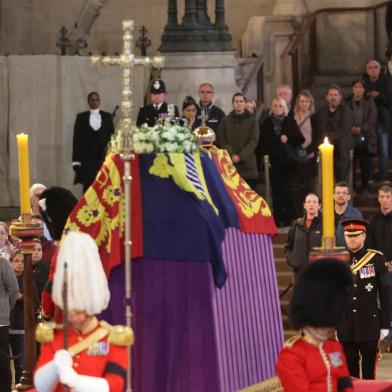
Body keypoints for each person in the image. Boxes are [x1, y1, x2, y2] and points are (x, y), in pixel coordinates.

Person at [34, 231, 133, 392]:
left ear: (91, 306)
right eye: (70, 312)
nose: (74, 318)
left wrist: (78, 382)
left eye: (80, 312)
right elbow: (41, 387)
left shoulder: (114, 339)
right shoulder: (53, 337)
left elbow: (114, 385)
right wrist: (53, 367)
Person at [277, 259, 354, 392]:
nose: (329, 328)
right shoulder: (292, 355)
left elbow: (343, 380)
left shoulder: (333, 347)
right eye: (323, 325)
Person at [337, 218, 390, 380]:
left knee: (368, 374)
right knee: (350, 373)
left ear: (364, 236)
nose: (351, 239)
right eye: (348, 235)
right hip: (345, 324)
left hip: (369, 323)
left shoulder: (376, 259)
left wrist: (385, 324)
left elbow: (385, 293)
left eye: (355, 235)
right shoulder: (338, 260)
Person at [259, 97, 305, 226]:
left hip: (289, 163)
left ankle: (290, 217)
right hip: (274, 163)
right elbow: (263, 143)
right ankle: (278, 218)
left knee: (289, 192)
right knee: (277, 192)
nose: (277, 108)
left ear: (285, 108)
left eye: (280, 106)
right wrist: (278, 139)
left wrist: (288, 138)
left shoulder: (290, 121)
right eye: (275, 105)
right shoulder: (266, 123)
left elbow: (299, 139)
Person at [39, 187, 78, 322]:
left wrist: (45, 311)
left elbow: (52, 284)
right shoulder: (87, 242)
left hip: (65, 314)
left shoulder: (64, 248)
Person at [72, 91, 115, 192]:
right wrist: (75, 161)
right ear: (88, 102)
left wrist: (112, 157)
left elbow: (112, 138)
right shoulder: (81, 118)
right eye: (92, 100)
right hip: (87, 160)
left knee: (103, 188)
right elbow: (76, 139)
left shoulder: (107, 117)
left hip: (102, 159)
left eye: (97, 100)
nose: (95, 102)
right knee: (88, 189)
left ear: (100, 101)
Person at [217, 92, 259, 189]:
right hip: (230, 165)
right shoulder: (225, 120)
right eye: (236, 101)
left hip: (248, 166)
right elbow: (222, 139)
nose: (239, 103)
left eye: (241, 101)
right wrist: (232, 155)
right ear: (233, 104)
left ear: (244, 103)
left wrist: (240, 156)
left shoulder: (253, 121)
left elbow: (253, 141)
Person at [292, 90, 321, 215]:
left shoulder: (314, 117)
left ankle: (311, 213)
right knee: (296, 188)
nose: (304, 104)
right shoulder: (291, 116)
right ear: (298, 103)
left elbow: (318, 137)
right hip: (294, 158)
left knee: (309, 187)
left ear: (310, 103)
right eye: (302, 101)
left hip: (309, 157)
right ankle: (298, 213)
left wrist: (306, 150)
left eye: (307, 101)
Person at [346, 79, 377, 192]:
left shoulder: (369, 101)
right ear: (352, 89)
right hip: (351, 138)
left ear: (364, 90)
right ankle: (352, 187)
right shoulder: (347, 102)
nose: (358, 89)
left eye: (360, 87)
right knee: (351, 164)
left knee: (365, 163)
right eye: (356, 87)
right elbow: (344, 118)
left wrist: (361, 128)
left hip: (366, 137)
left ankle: (365, 187)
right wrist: (351, 128)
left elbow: (372, 118)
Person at [363, 60, 392, 183]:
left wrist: (379, 95)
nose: (373, 69)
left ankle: (383, 175)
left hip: (382, 119)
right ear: (367, 70)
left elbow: (390, 100)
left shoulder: (386, 81)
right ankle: (369, 176)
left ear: (380, 70)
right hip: (367, 119)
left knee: (383, 148)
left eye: (376, 67)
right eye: (370, 67)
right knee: (367, 148)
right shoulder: (363, 82)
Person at [318, 85, 353, 182]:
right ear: (327, 97)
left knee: (340, 180)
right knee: (326, 180)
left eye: (335, 95)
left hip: (341, 151)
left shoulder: (346, 111)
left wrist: (328, 137)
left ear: (340, 97)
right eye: (331, 95)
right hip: (326, 151)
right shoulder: (322, 112)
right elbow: (320, 128)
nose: (333, 97)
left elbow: (344, 130)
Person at [284, 193, 322, 279]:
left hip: (319, 273)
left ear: (319, 205)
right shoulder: (297, 224)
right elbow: (288, 245)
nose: (311, 204)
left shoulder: (325, 225)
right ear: (304, 205)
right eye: (308, 202)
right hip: (299, 273)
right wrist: (293, 260)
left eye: (314, 202)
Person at [0, 253, 19, 392]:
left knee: (2, 361)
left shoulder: (3, 263)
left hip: (1, 321)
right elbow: (13, 290)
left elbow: (14, 290)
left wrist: (6, 308)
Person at [9, 249, 25, 386]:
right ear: (10, 262)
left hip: (19, 328)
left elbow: (35, 304)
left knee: (20, 365)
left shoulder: (27, 280)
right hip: (3, 326)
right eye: (16, 261)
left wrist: (22, 297)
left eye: (22, 261)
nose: (19, 264)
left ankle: (19, 387)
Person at [334, 182, 363, 247]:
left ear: (349, 197)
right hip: (328, 253)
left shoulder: (356, 215)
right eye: (338, 193)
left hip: (348, 254)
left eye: (344, 193)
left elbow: (359, 239)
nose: (341, 195)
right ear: (334, 196)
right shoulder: (325, 213)